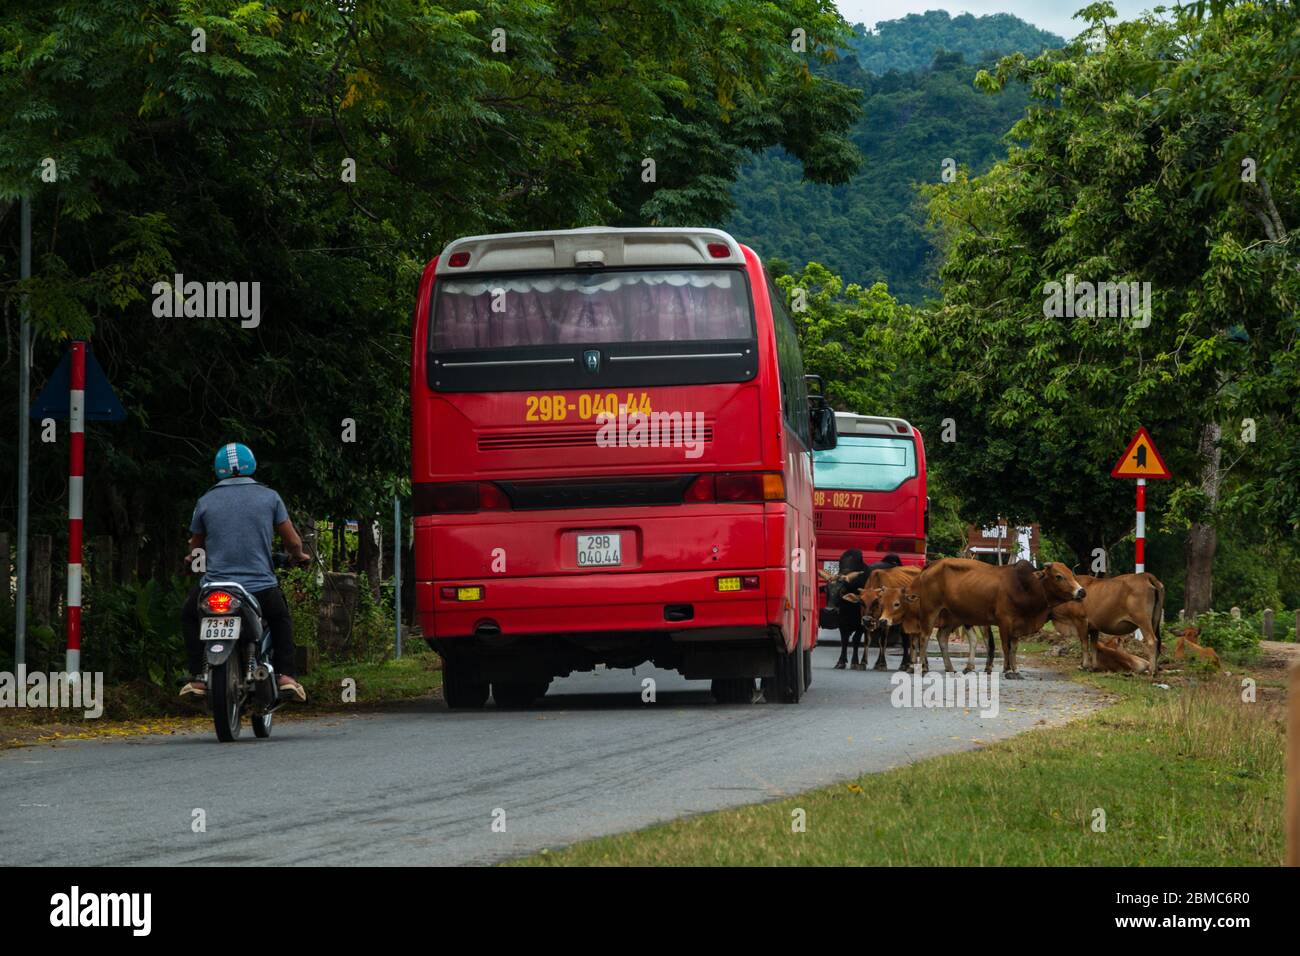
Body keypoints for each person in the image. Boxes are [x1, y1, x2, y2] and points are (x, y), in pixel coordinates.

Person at [179, 443, 309, 702]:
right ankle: (285, 677)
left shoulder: (205, 501)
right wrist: (299, 556)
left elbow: (196, 548)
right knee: (280, 618)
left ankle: (197, 677)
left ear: (218, 469)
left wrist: (190, 559)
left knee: (189, 615)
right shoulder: (270, 497)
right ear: (252, 465)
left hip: (215, 587)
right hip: (259, 587)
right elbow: (293, 543)